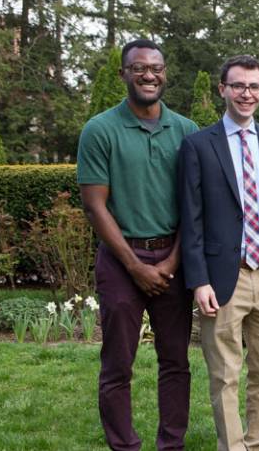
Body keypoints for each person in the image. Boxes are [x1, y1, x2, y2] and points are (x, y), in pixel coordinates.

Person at [78, 38, 198, 451]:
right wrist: (135, 266)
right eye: (139, 68)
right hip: (120, 261)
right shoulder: (100, 130)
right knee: (117, 364)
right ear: (123, 74)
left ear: (165, 74)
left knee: (176, 362)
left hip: (172, 260)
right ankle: (124, 445)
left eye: (156, 68)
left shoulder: (186, 131)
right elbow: (95, 206)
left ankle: (172, 444)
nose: (149, 75)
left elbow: (194, 206)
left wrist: (171, 263)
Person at [179, 55, 259, 451]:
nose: (246, 94)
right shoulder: (198, 145)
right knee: (225, 375)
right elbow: (191, 219)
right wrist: (199, 280)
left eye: (254, 87)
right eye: (238, 86)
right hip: (221, 277)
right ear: (223, 89)